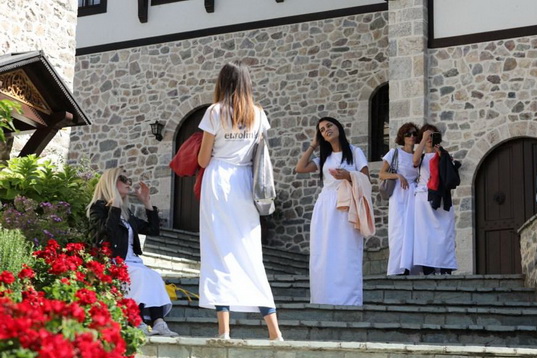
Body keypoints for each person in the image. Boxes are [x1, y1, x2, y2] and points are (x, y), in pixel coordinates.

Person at [196, 61, 282, 341]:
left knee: (218, 250)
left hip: (219, 180)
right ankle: (274, 330)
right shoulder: (259, 114)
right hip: (246, 182)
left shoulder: (215, 112)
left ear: (222, 82)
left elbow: (202, 159)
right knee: (249, 252)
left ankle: (224, 330)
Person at [87, 168, 178, 337]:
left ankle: (158, 322)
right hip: (115, 261)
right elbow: (107, 232)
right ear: (111, 182)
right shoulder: (98, 208)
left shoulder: (126, 213)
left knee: (154, 276)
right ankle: (136, 321)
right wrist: (113, 206)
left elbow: (153, 230)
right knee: (141, 275)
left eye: (129, 179)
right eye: (124, 179)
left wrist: (147, 203)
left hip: (133, 261)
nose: (129, 183)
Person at [296, 117, 370, 306]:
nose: (326, 130)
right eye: (321, 129)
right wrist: (313, 145)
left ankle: (349, 300)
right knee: (324, 252)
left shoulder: (354, 152)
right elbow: (300, 168)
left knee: (346, 250)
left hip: (347, 206)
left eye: (329, 125)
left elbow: (366, 178)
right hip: (326, 206)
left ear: (338, 127)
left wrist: (348, 175)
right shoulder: (324, 158)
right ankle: (323, 298)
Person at [405, 124, 458, 275]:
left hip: (441, 198)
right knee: (425, 235)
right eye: (426, 136)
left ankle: (445, 268)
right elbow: (414, 161)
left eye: (431, 136)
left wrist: (442, 155)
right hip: (423, 198)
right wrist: (422, 140)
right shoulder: (420, 156)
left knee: (445, 233)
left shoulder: (442, 154)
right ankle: (428, 268)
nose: (429, 139)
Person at [378, 123, 420, 275]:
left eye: (414, 134)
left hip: (413, 195)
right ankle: (397, 268)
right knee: (398, 230)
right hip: (398, 194)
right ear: (402, 136)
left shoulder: (418, 156)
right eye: (408, 134)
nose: (411, 137)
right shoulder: (394, 153)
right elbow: (381, 174)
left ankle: (411, 267)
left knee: (413, 230)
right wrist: (397, 175)